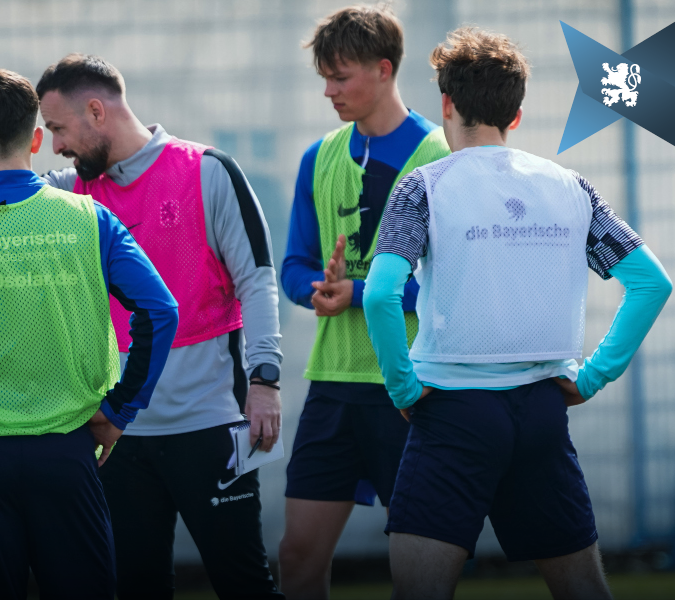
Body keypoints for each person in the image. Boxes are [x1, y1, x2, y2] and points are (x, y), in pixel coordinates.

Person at [0, 54, 284, 599]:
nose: (54, 145)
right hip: (98, 438)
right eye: (45, 131)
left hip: (188, 422)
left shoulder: (204, 169)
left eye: (59, 128)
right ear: (30, 138)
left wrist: (264, 377)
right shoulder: (81, 200)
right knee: (133, 585)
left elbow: (257, 278)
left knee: (244, 582)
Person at [362, 28, 672, 600]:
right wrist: (593, 376)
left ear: (447, 104)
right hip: (542, 413)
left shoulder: (422, 188)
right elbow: (652, 284)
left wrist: (403, 388)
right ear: (516, 114)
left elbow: (380, 297)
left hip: (451, 414)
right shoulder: (571, 187)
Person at [277, 6, 450, 597]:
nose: (328, 91)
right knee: (297, 556)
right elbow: (294, 267)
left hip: (412, 386)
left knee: (418, 568)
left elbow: (455, 285)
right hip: (333, 384)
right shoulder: (318, 157)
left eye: (340, 77)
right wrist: (318, 291)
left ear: (383, 69)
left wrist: (361, 293)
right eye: (324, 78)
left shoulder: (440, 157)